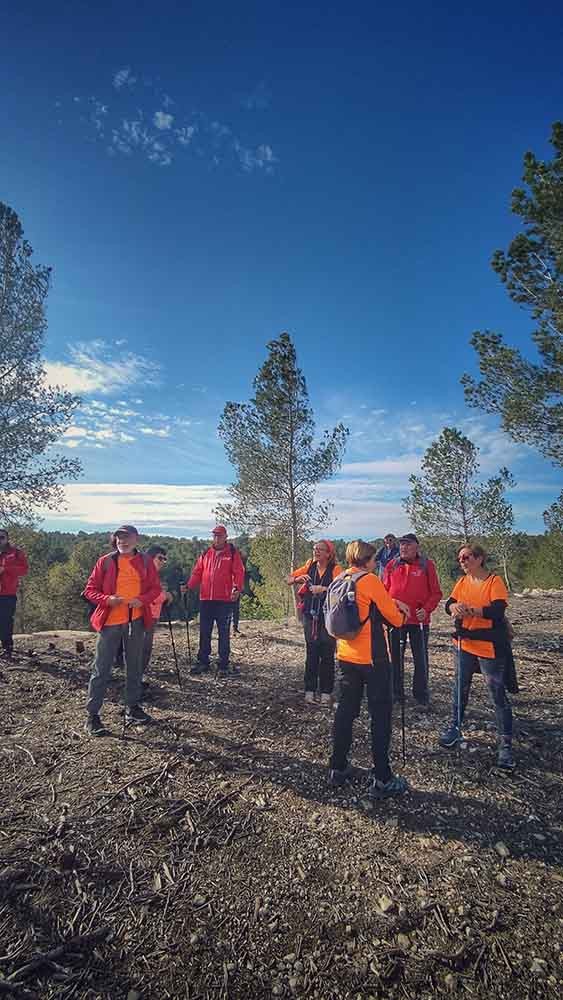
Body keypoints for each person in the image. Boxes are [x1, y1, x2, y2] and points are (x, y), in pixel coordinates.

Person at [329, 540, 410, 798]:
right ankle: (382, 778)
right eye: (374, 559)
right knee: (380, 717)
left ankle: (338, 767)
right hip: (374, 660)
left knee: (345, 712)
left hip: (344, 655)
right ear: (367, 560)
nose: (376, 563)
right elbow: (395, 620)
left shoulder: (340, 577)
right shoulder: (370, 580)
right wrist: (404, 612)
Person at [439, 543, 515, 769]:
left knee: (497, 694)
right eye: (460, 558)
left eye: (466, 557)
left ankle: (505, 745)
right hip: (464, 644)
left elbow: (497, 610)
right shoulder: (462, 582)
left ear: (480, 558)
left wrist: (471, 610)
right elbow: (450, 603)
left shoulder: (494, 582)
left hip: (489, 647)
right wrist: (453, 609)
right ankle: (455, 728)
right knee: (460, 688)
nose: (462, 561)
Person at [83, 525, 162, 735]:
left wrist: (142, 600)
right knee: (102, 668)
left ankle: (132, 707)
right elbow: (90, 590)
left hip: (135, 621)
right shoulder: (106, 561)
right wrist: (108, 599)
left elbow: (155, 588)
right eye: (119, 538)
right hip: (110, 622)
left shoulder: (145, 561)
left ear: (136, 539)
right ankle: (93, 716)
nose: (122, 541)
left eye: (126, 538)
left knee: (134, 666)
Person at [383, 533, 442, 708]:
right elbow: (383, 591)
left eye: (408, 544)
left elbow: (436, 593)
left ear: (417, 547)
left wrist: (426, 609)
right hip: (396, 619)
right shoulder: (392, 565)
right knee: (395, 658)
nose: (403, 547)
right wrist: (390, 607)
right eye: (401, 545)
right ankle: (396, 694)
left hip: (419, 621)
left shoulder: (426, 565)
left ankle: (421, 695)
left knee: (420, 659)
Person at [287, 540, 343, 705]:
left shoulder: (336, 569)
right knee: (311, 652)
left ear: (329, 553)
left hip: (328, 617)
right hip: (310, 615)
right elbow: (288, 579)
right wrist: (298, 578)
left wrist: (324, 589)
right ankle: (309, 689)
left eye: (320, 549)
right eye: (315, 549)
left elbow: (343, 587)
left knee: (327, 653)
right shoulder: (309, 566)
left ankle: (326, 691)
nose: (316, 552)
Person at [184, 526, 244, 677]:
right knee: (205, 632)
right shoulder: (206, 553)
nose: (217, 538)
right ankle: (203, 661)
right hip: (206, 599)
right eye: (215, 535)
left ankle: (223, 664)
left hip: (224, 600)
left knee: (224, 633)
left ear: (225, 536)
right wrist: (189, 585)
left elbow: (239, 572)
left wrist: (237, 588)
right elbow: (198, 572)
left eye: (220, 535)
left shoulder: (231, 553)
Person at [142, 545, 174, 680]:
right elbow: (151, 596)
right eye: (160, 558)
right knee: (144, 648)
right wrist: (166, 596)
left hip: (151, 615)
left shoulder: (150, 572)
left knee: (145, 647)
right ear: (150, 557)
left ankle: (138, 675)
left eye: (164, 559)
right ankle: (137, 678)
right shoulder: (145, 572)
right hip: (145, 615)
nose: (162, 561)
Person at [0, 530, 28, 661]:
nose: (0, 540)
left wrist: (6, 568)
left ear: (7, 539)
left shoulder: (16, 553)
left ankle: (7, 647)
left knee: (6, 620)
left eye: (2, 537)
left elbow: (24, 569)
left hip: (7, 594)